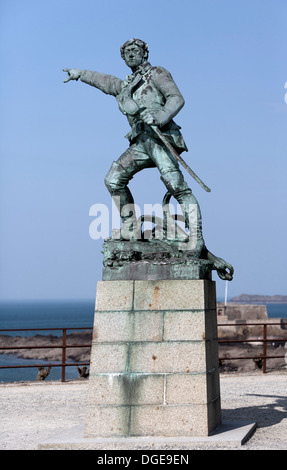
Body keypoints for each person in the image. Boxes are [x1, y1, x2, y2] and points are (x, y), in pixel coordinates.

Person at [63, 38, 204, 253]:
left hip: (160, 138)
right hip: (140, 141)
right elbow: (106, 81)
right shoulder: (126, 86)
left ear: (144, 54)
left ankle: (197, 238)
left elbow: (176, 98)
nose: (130, 54)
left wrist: (161, 115)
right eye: (126, 52)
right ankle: (131, 227)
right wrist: (80, 74)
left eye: (134, 50)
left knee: (176, 186)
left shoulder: (156, 73)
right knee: (113, 179)